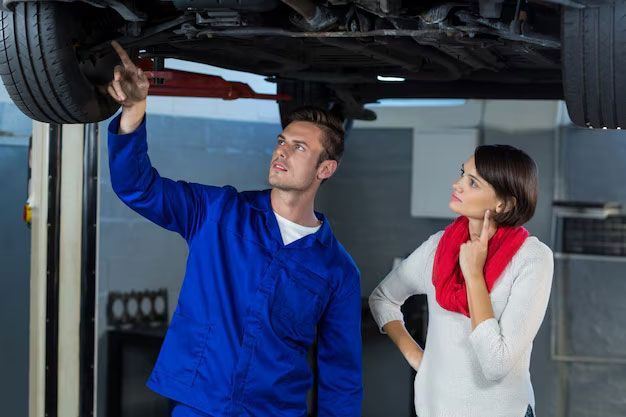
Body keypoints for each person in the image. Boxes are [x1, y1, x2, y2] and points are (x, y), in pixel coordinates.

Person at [106, 41, 362, 417]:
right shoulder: (217, 212)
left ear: (326, 169)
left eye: (299, 147)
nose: (281, 152)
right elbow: (137, 187)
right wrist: (134, 110)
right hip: (199, 405)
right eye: (281, 142)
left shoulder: (337, 271)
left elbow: (341, 376)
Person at [369, 145, 553, 417]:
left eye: (473, 182)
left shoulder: (532, 258)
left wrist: (474, 273)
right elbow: (383, 299)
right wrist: (419, 359)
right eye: (462, 173)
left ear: (503, 204)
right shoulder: (437, 247)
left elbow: (495, 363)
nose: (457, 184)